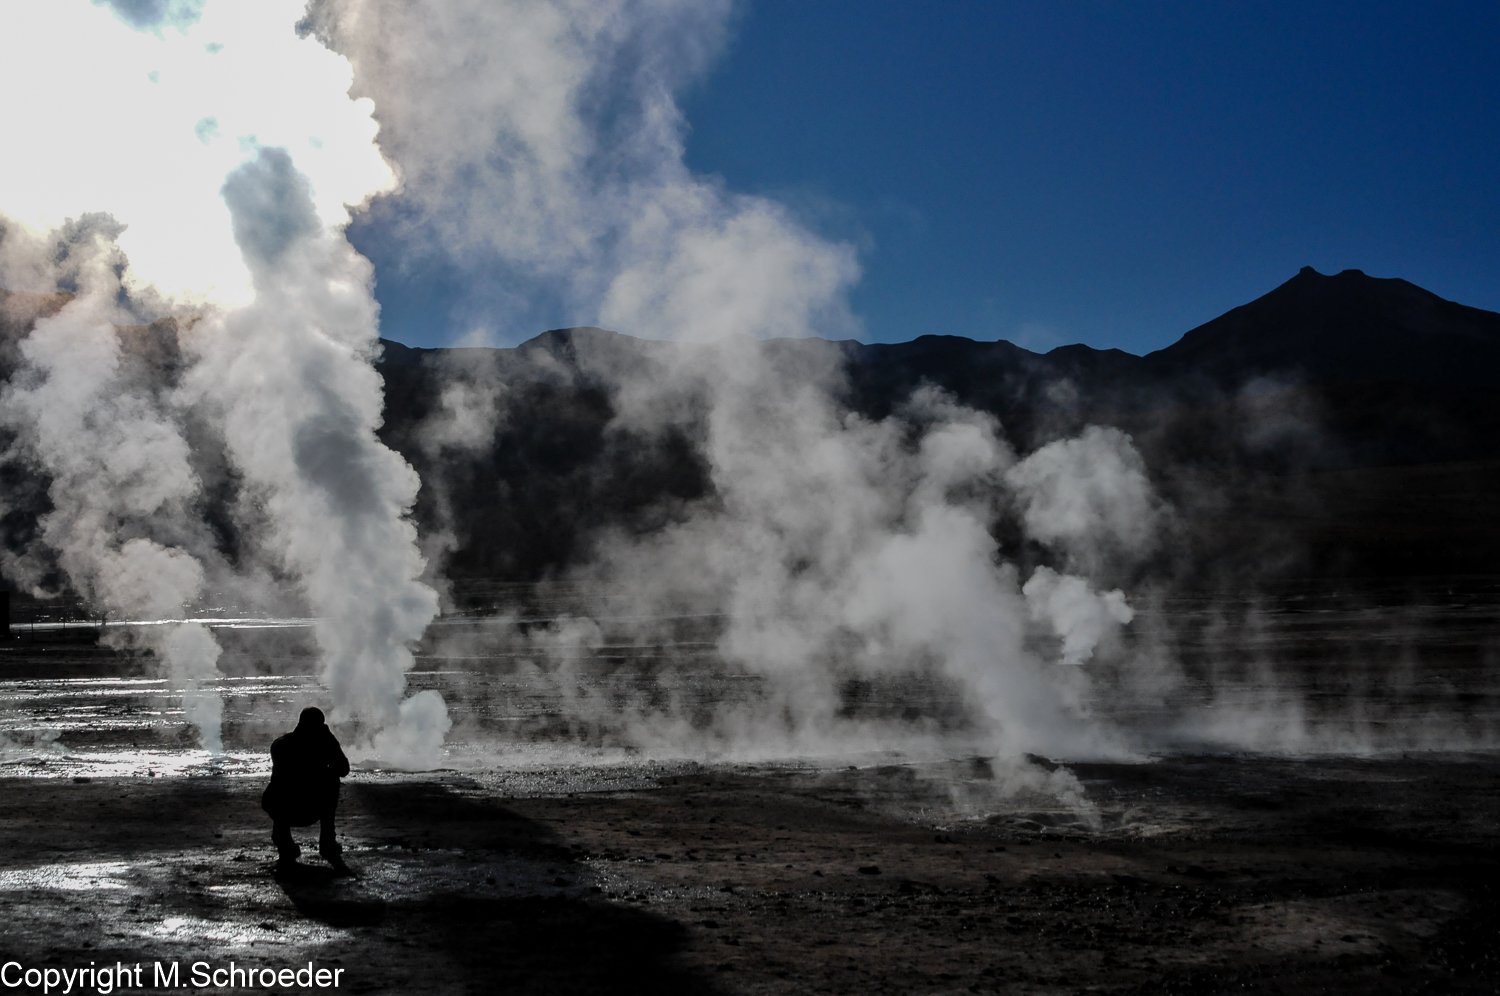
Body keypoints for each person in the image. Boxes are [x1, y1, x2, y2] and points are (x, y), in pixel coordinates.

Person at [262, 706, 350, 873]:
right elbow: (343, 769)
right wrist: (331, 740)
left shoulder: (280, 745)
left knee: (280, 787)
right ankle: (327, 842)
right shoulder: (324, 745)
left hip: (281, 809)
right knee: (331, 780)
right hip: (310, 806)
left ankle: (283, 842)